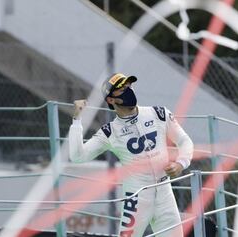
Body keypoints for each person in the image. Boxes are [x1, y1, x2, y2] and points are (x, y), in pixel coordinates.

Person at [69, 73, 194, 237]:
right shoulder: (109, 131)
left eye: (129, 86)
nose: (128, 90)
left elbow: (185, 141)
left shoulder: (158, 113)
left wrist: (181, 163)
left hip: (165, 193)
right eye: (122, 89)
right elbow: (78, 156)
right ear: (111, 100)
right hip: (136, 198)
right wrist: (77, 120)